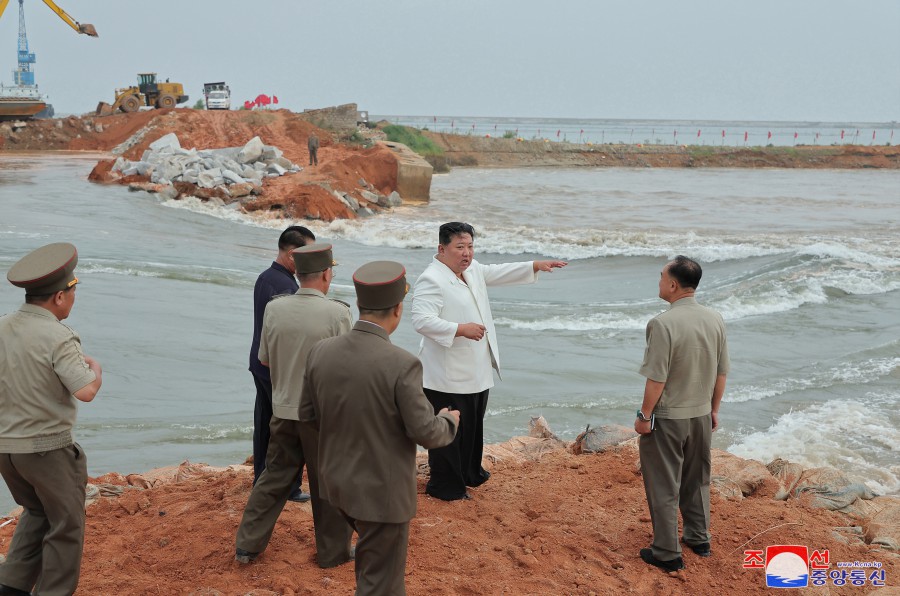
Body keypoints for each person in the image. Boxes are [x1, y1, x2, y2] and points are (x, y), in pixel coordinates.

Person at [300, 261, 459, 595]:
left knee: (372, 566)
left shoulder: (320, 352)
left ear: (360, 305)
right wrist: (448, 420)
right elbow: (426, 432)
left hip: (337, 487)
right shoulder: (402, 364)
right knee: (382, 585)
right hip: (381, 497)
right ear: (398, 310)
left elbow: (308, 416)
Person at [411, 222, 567, 501]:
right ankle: (445, 488)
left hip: (476, 369)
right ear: (441, 248)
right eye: (460, 247)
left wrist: (534, 265)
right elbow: (421, 321)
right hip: (446, 374)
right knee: (450, 434)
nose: (467, 253)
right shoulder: (431, 279)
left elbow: (496, 272)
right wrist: (460, 328)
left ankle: (467, 476)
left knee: (471, 428)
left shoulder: (471, 270)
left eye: (470, 246)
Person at [236, 243, 354, 568]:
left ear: (298, 273)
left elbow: (265, 360)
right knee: (327, 486)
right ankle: (332, 552)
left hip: (284, 409)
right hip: (321, 416)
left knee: (273, 477)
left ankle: (247, 545)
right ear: (327, 274)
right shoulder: (339, 313)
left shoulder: (276, 308)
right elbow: (345, 371)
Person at [0, 243, 103, 596]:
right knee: (66, 526)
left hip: (7, 450)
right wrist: (95, 369)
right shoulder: (59, 335)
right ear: (60, 297)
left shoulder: (3, 326)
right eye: (72, 293)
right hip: (48, 449)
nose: (73, 300)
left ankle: (10, 585)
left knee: (36, 510)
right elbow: (86, 391)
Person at [635, 255, 729, 573]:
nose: (659, 281)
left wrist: (644, 416)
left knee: (663, 484)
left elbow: (657, 378)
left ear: (673, 285)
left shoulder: (662, 324)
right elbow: (721, 372)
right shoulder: (715, 318)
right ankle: (699, 538)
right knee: (697, 478)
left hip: (669, 417)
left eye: (661, 276)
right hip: (701, 413)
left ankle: (666, 551)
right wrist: (714, 410)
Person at [249, 225, 315, 503]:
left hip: (260, 361)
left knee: (265, 423)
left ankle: (261, 479)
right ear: (292, 255)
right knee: (286, 430)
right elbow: (289, 331)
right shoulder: (286, 286)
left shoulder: (266, 277)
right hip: (275, 366)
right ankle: (285, 486)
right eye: (307, 253)